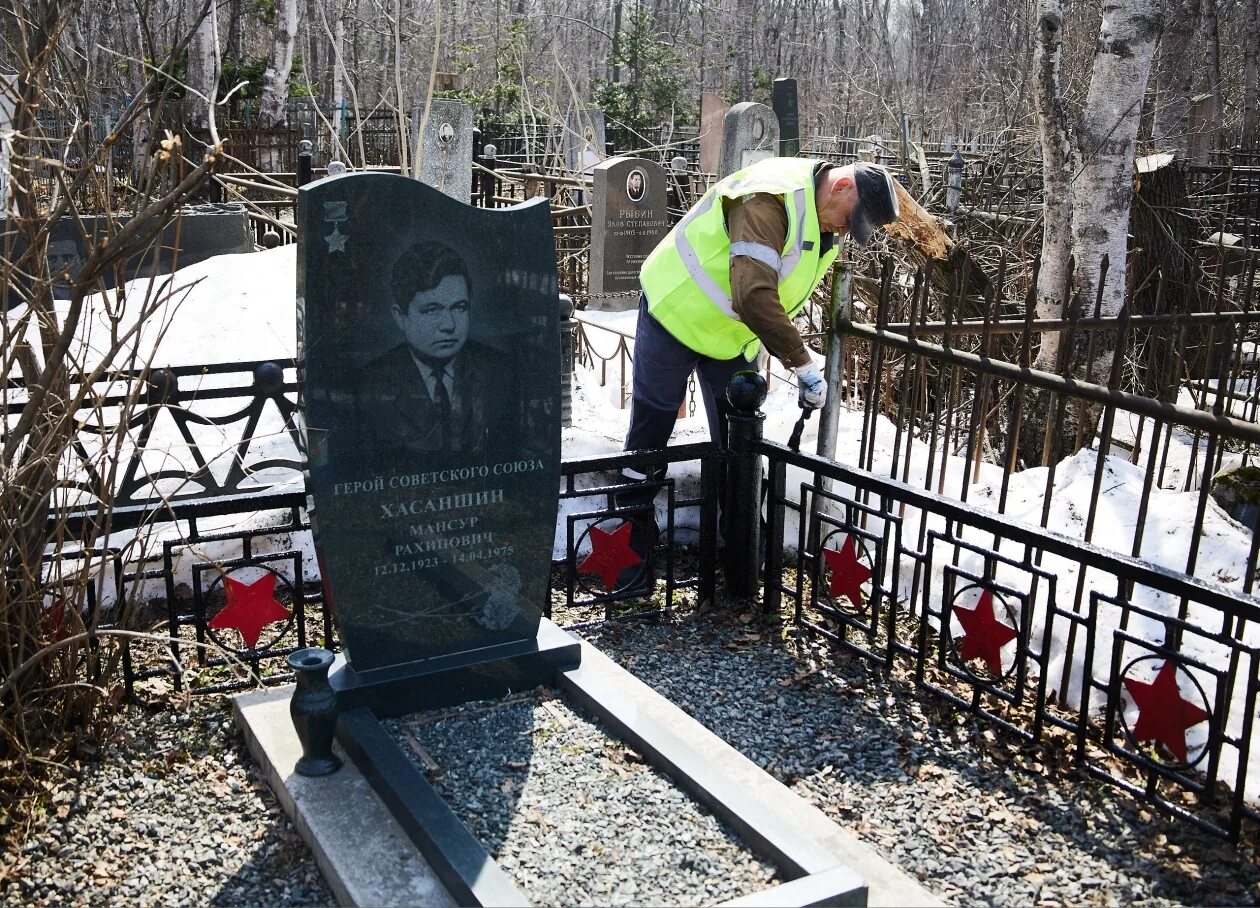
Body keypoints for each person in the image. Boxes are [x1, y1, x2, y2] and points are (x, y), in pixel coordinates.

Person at [617, 157, 901, 572]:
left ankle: (740, 547)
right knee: (651, 427)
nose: (845, 230)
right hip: (675, 310)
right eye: (850, 218)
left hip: (730, 335)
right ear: (841, 186)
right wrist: (801, 362)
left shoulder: (819, 219)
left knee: (740, 439)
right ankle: (629, 540)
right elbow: (752, 292)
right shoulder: (770, 197)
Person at [356, 240, 515, 460]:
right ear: (400, 317)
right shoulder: (370, 384)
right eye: (432, 310)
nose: (448, 325)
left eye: (459, 308)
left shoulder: (500, 372)